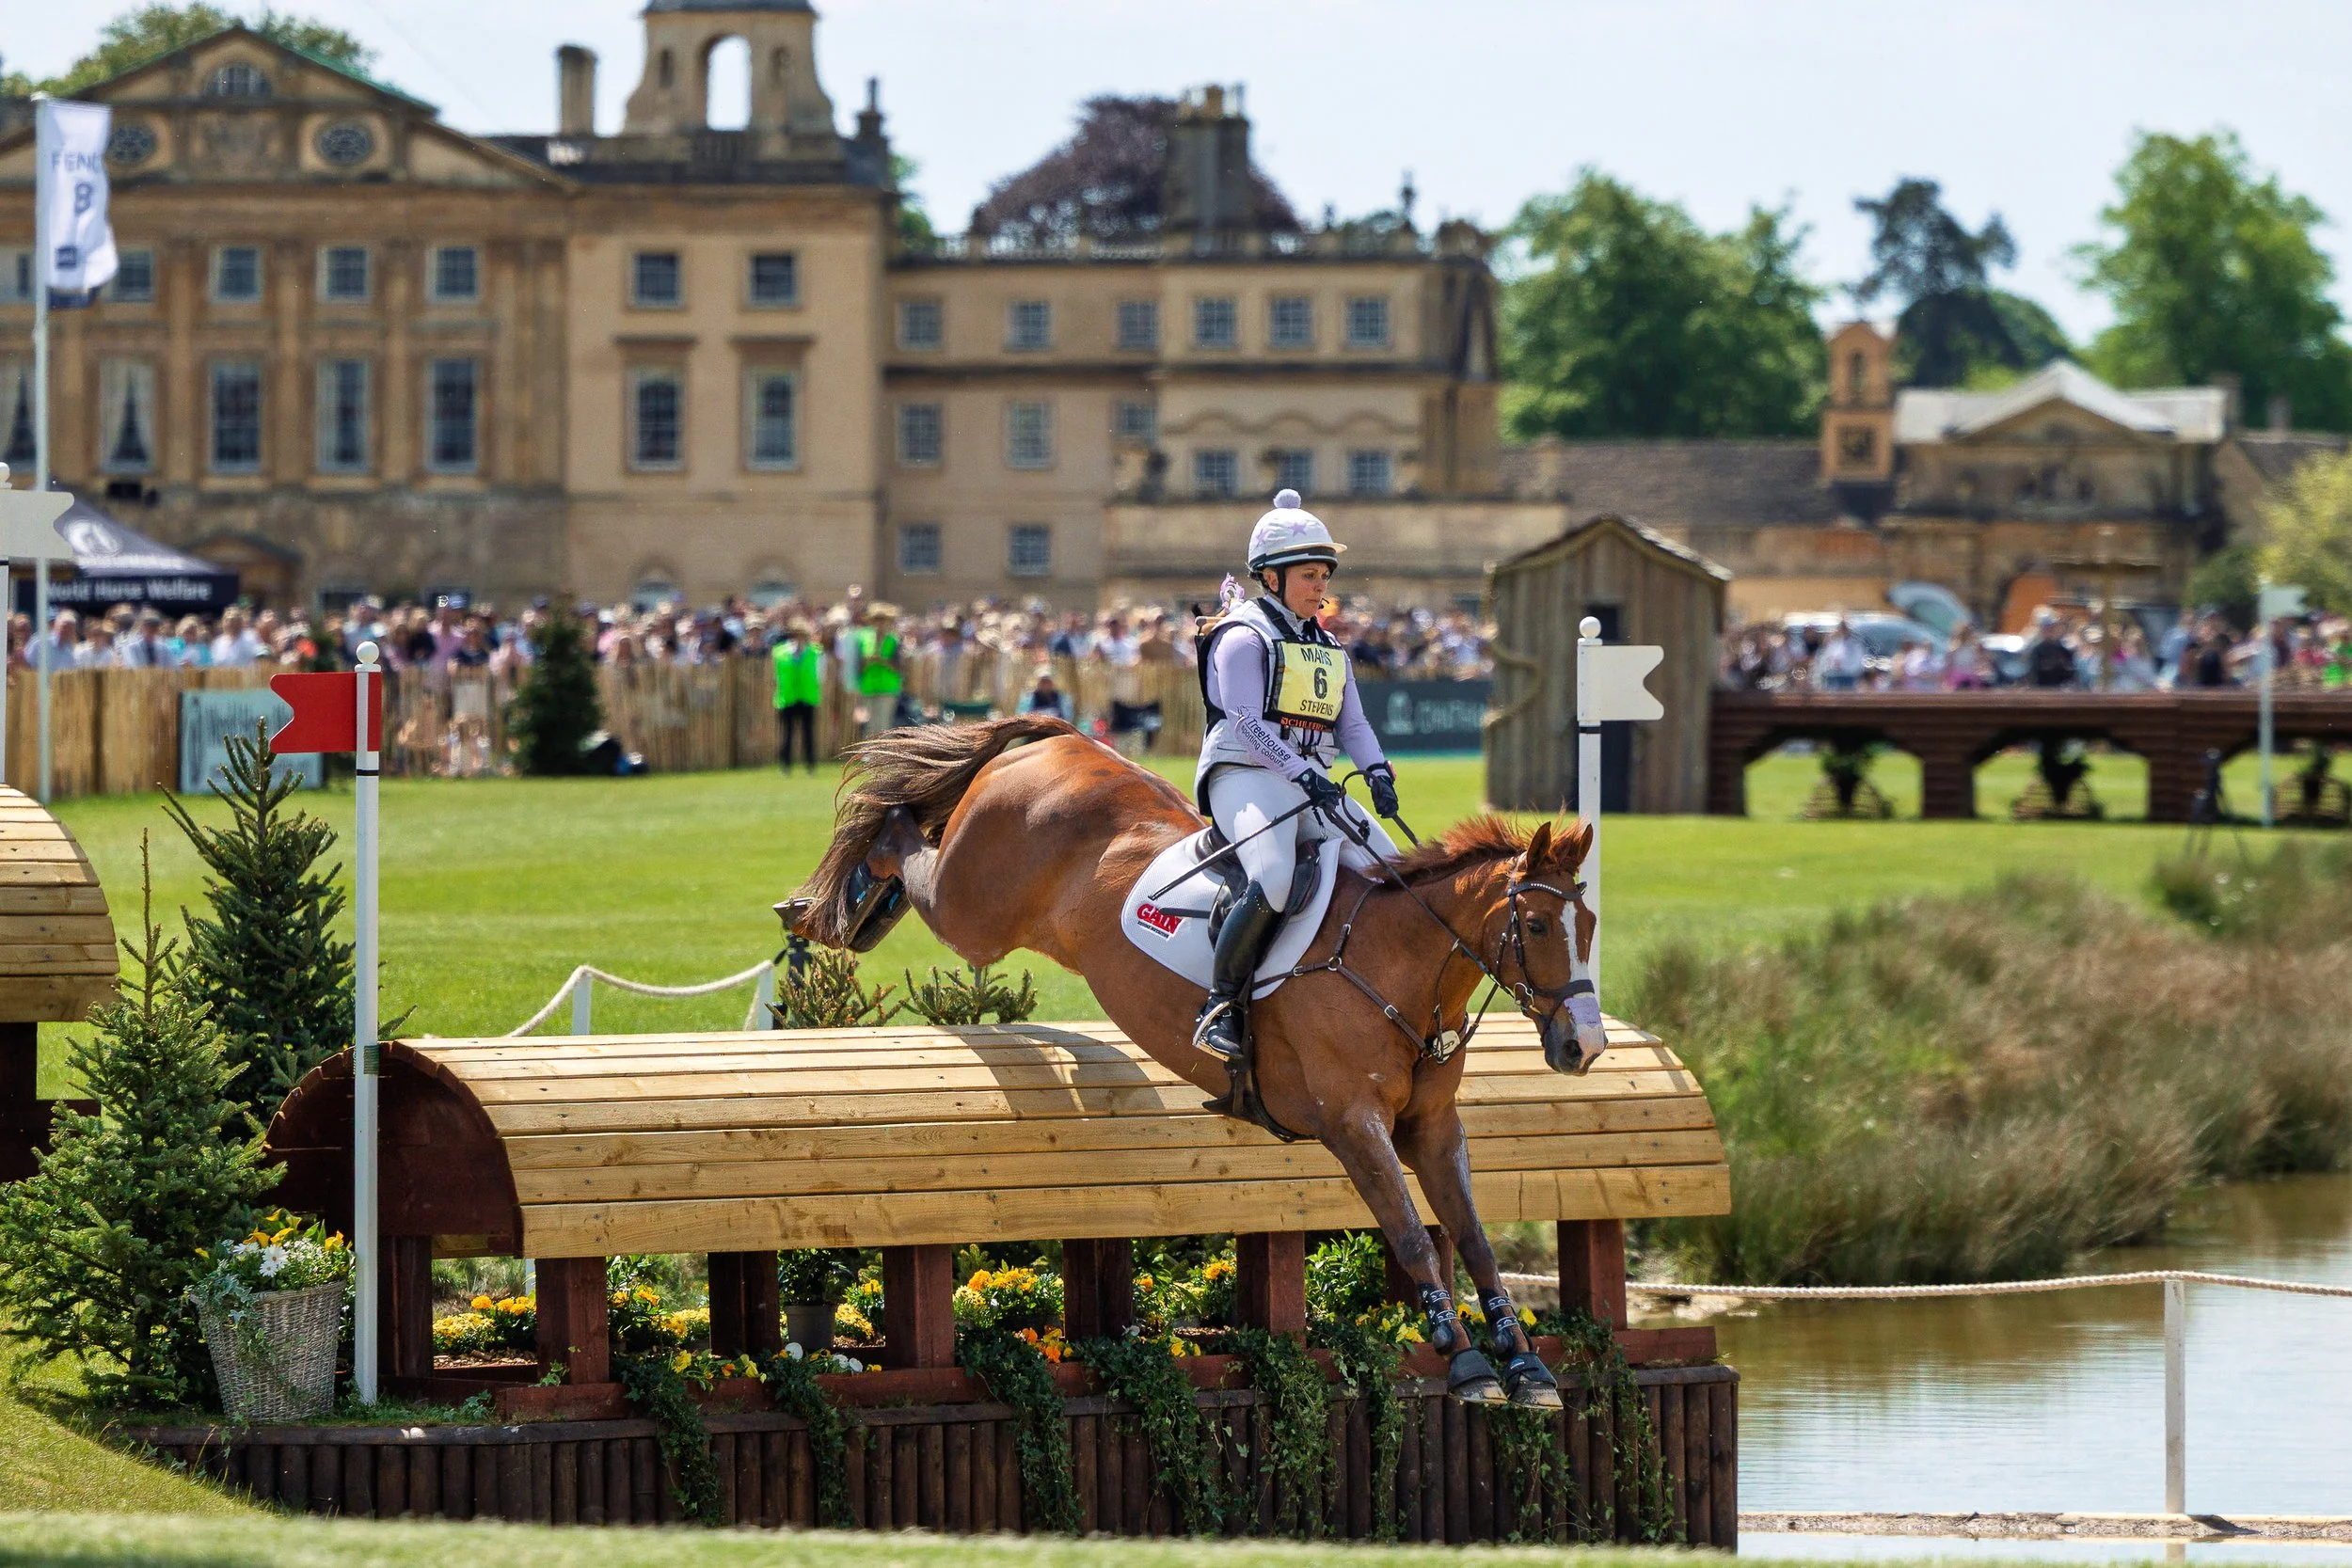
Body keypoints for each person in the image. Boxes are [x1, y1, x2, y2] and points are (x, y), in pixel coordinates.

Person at [1191, 488, 1402, 1064]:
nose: (1321, 588)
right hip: (1244, 774)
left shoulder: (1329, 646)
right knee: (1276, 876)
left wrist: (1378, 771)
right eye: (1309, 576)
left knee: (1393, 872)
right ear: (1273, 577)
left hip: (1310, 782)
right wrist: (1301, 771)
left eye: (1324, 576)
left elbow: (1352, 723)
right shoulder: (1242, 635)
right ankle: (1221, 1005)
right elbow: (1244, 720)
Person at [771, 620, 823, 773]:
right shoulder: (780, 652)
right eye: (796, 634)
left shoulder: (815, 652)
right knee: (787, 734)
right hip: (788, 698)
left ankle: (810, 765)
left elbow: (820, 674)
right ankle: (786, 765)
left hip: (807, 697)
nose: (799, 638)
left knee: (808, 733)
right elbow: (775, 675)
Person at [853, 604, 903, 739]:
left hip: (887, 687)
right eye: (877, 620)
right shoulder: (864, 639)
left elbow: (899, 667)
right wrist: (869, 661)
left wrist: (882, 661)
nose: (880, 623)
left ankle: (882, 756)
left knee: (883, 724)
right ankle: (869, 756)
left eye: (883, 620)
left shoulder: (894, 640)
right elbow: (859, 666)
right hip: (869, 686)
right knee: (869, 724)